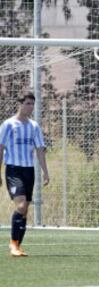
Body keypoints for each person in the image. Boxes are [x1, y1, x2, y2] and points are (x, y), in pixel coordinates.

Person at [0, 92, 49, 257]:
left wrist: (45, 171)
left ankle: (17, 245)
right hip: (14, 169)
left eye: (32, 104)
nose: (30, 107)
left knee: (25, 209)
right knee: (21, 206)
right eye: (28, 103)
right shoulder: (8, 125)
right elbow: (0, 148)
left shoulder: (34, 126)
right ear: (19, 104)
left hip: (29, 171)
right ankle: (13, 245)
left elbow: (40, 150)